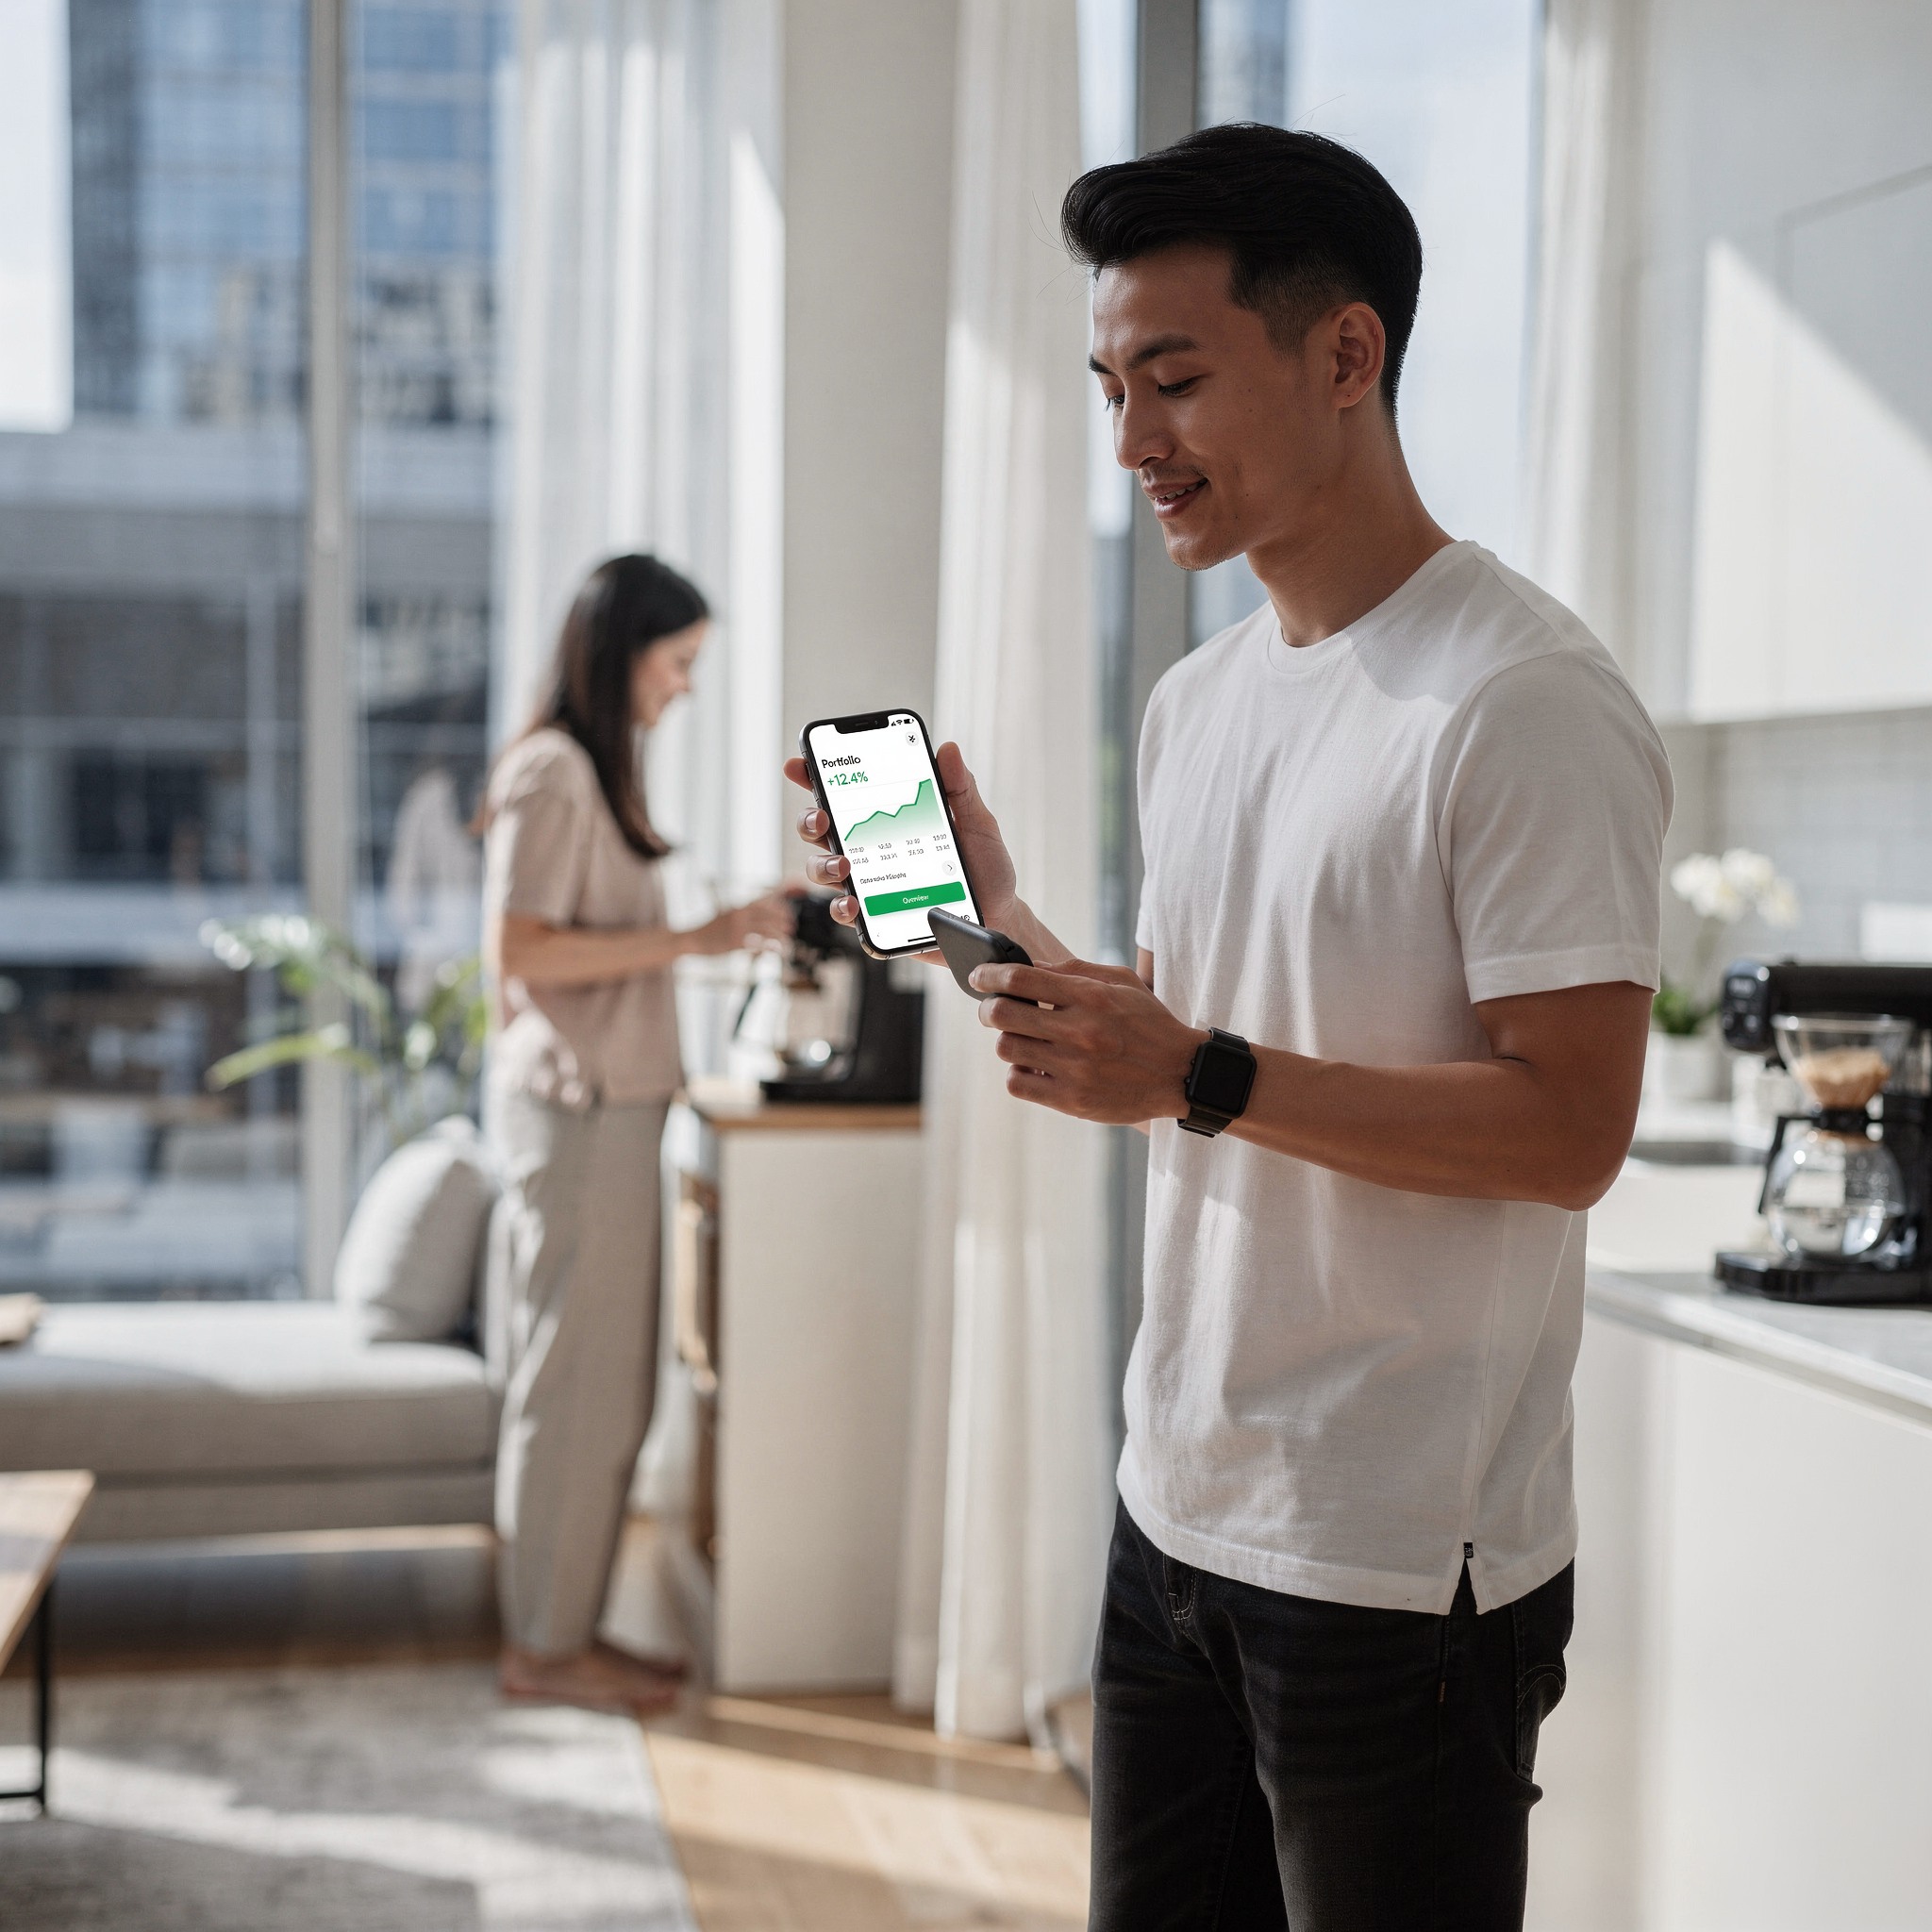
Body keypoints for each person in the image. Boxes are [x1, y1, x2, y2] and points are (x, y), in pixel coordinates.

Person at [788, 126, 1670, 1928]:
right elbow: (1183, 1047)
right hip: (1171, 1503)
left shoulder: (1520, 700)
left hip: (1394, 1554)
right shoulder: (1197, 703)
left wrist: (1198, 1075)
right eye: (1111, 384)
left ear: (1342, 355)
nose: (1131, 444)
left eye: (1172, 379)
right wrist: (982, 915)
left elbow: (1566, 1129)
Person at [481, 553, 792, 1716]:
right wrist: (695, 941)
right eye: (679, 662)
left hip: (608, 1112)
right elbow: (525, 949)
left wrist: (715, 932)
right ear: (623, 657)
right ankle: (543, 1646)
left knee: (608, 1387)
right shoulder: (555, 772)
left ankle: (564, 1627)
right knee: (576, 1387)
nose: (686, 686)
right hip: (575, 1115)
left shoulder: (593, 773)